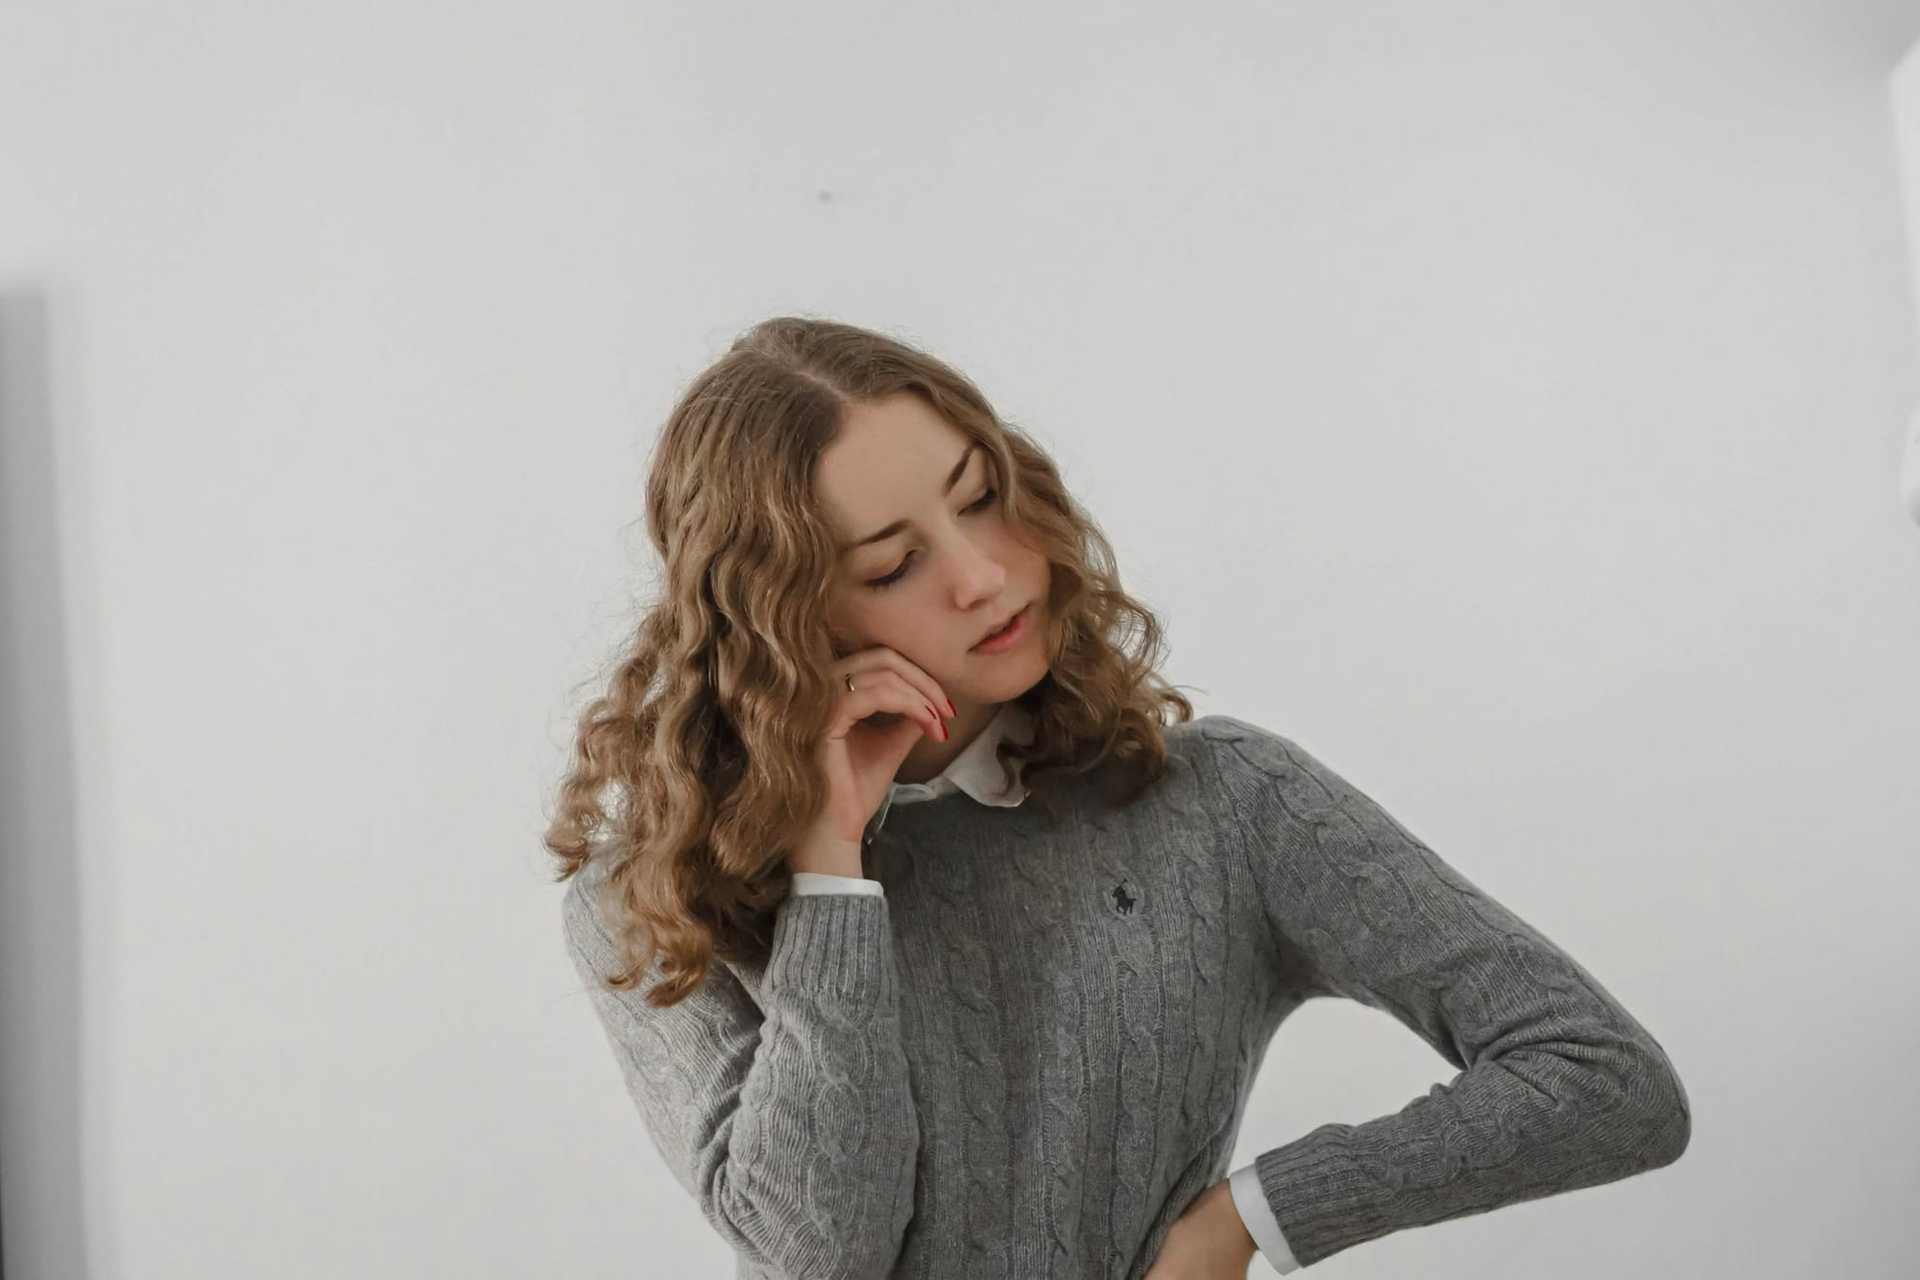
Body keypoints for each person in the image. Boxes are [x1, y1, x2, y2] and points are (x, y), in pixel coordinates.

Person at [546, 316, 1690, 1280]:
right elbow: (818, 1249)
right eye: (891, 563)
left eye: (982, 496)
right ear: (785, 621)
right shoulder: (647, 901)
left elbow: (1602, 1077)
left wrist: (1245, 1220)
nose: (982, 572)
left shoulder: (1226, 803)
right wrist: (829, 866)